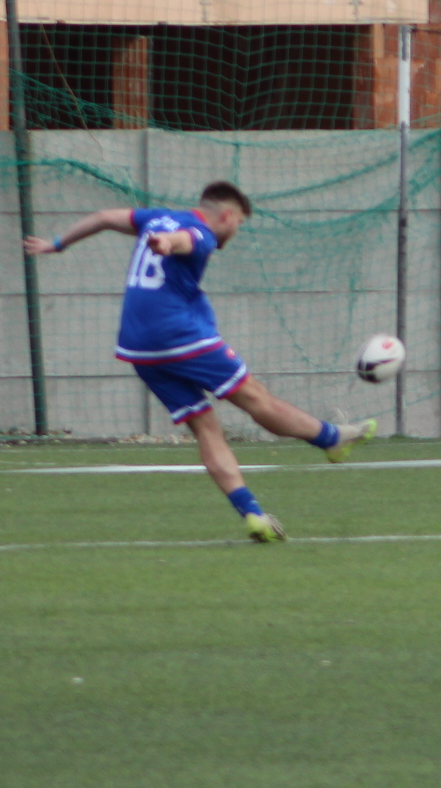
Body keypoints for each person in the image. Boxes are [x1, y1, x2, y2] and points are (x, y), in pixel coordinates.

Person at [25, 182, 375, 542]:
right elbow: (185, 240)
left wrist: (57, 243)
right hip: (177, 337)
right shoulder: (202, 234)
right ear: (226, 215)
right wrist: (168, 244)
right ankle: (331, 438)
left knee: (205, 426)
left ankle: (253, 515)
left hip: (138, 347)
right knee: (256, 398)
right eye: (239, 223)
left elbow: (103, 217)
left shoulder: (156, 218)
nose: (236, 231)